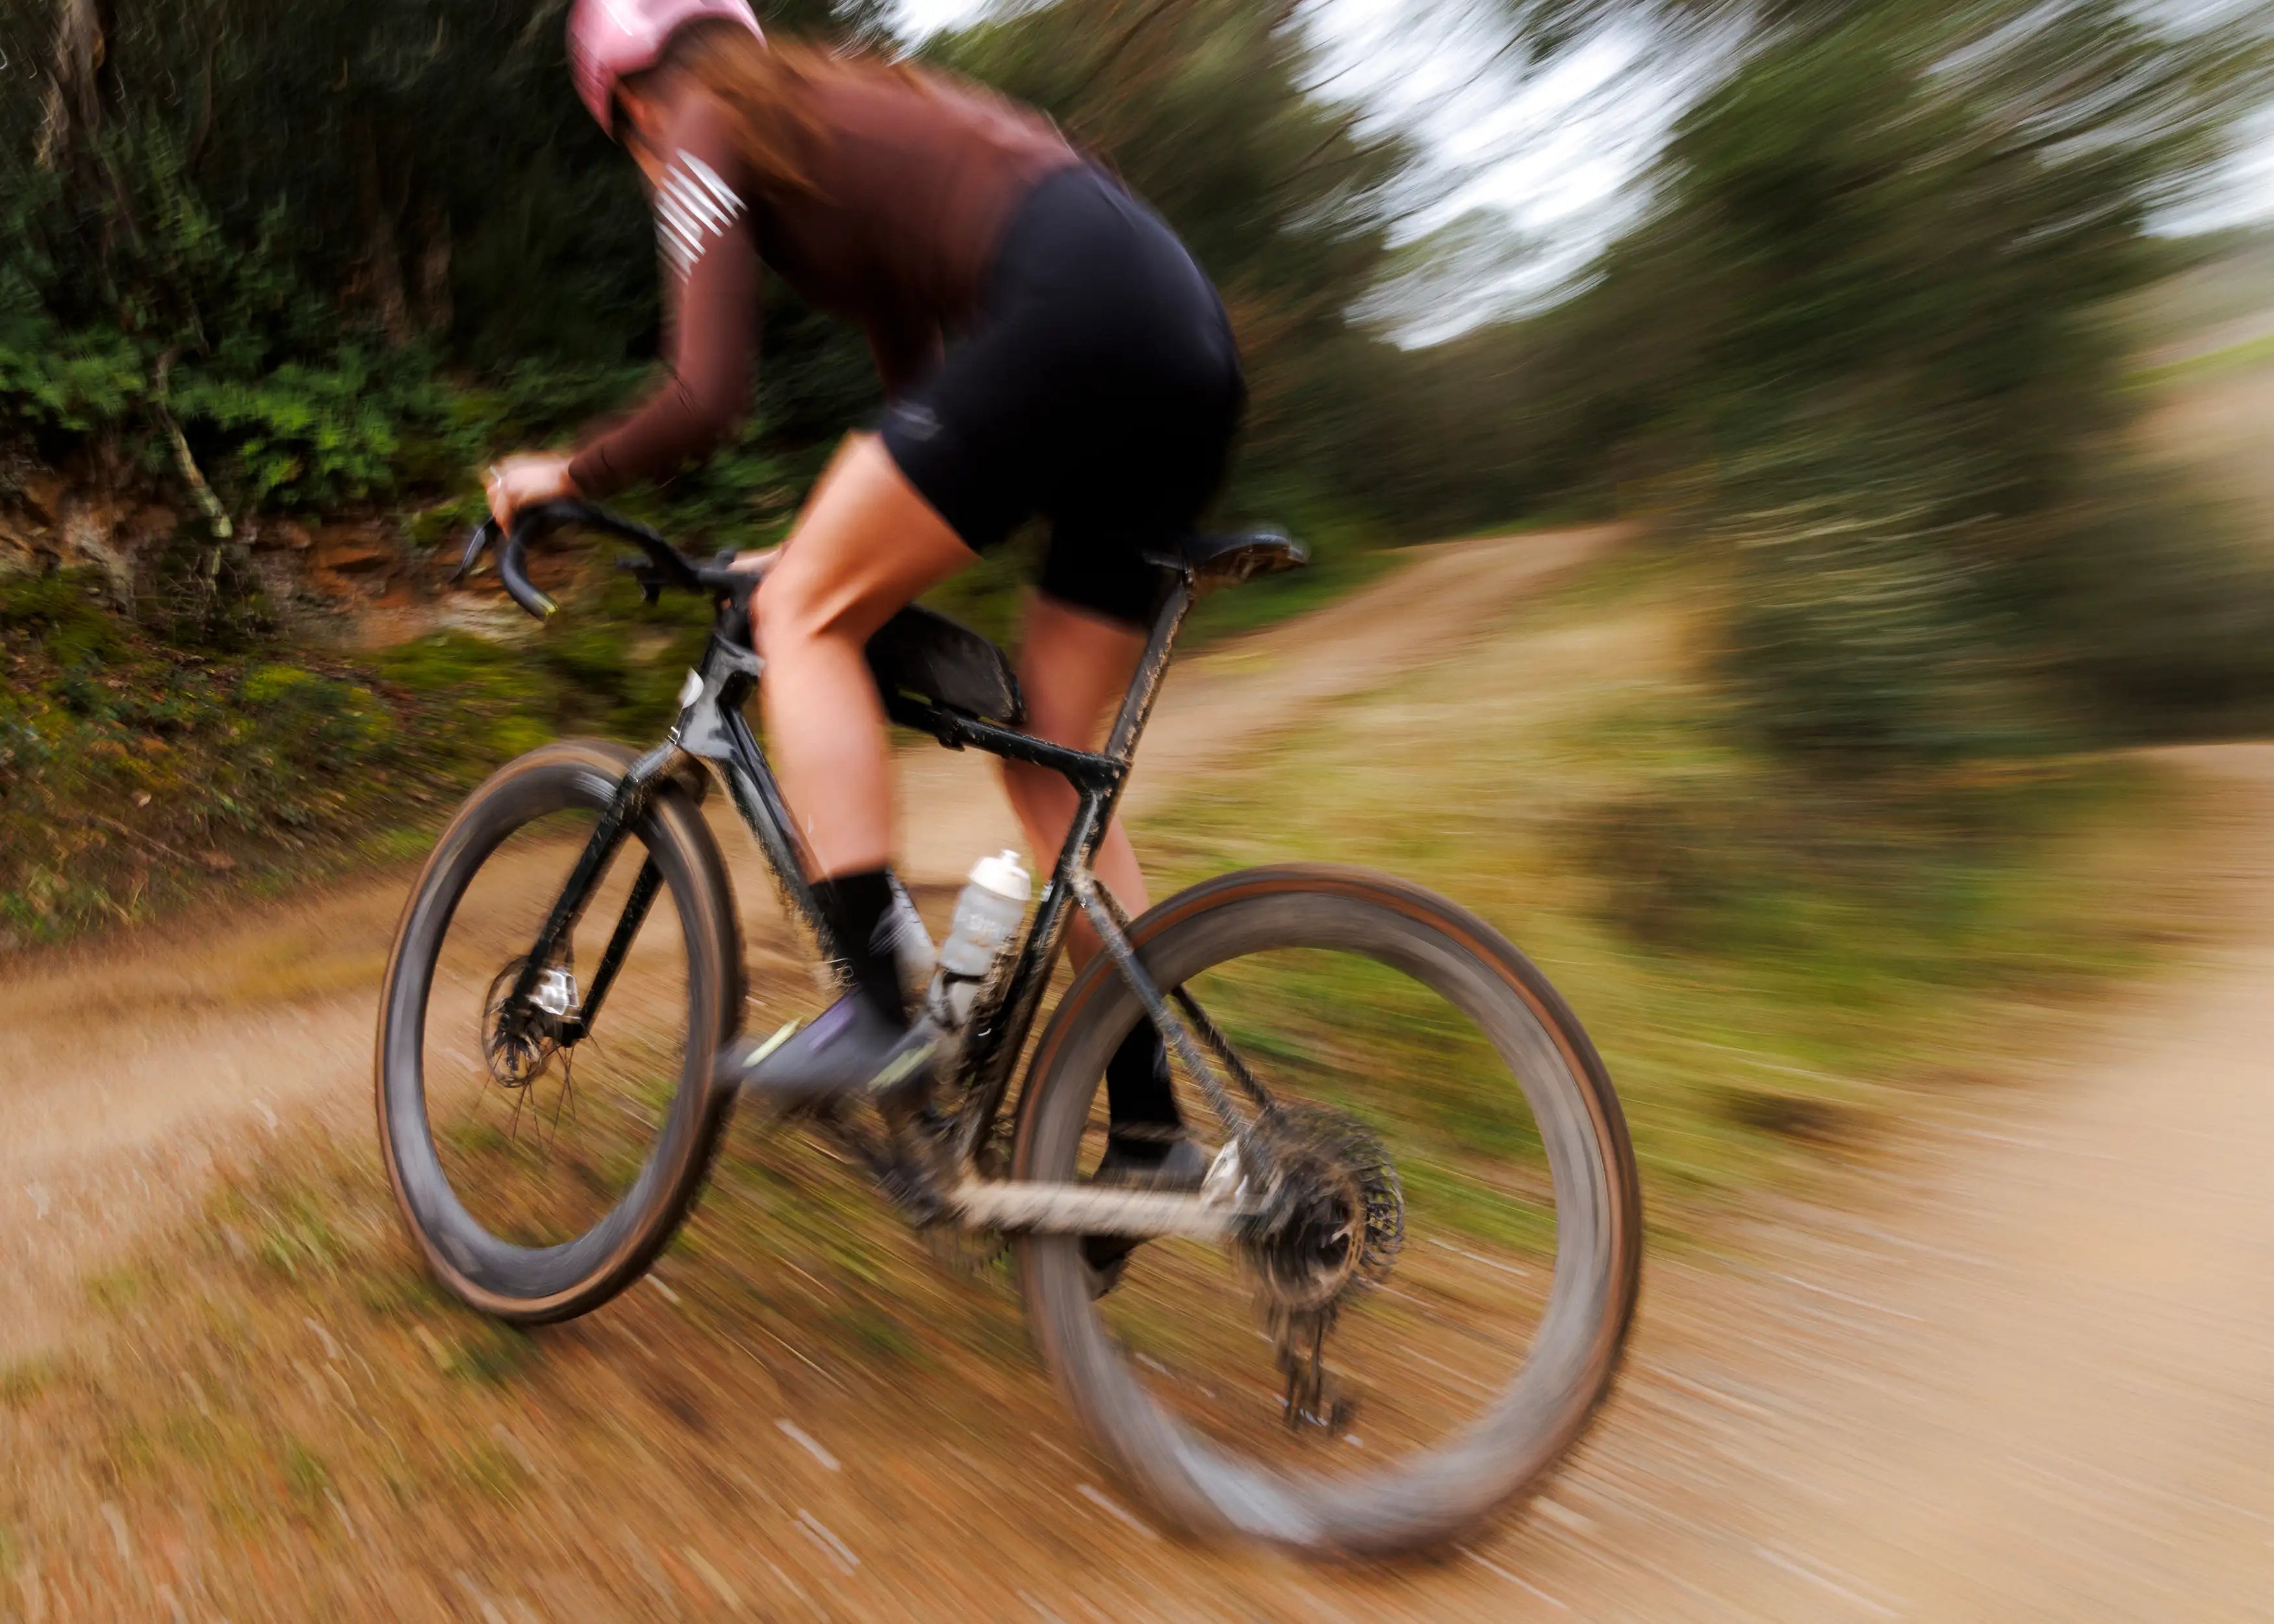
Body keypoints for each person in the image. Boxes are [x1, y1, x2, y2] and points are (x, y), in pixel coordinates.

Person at [483, 0, 1242, 1226]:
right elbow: (929, 407)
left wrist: (561, 476)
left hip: (1073, 306)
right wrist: (833, 548)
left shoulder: (697, 124)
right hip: (1177, 327)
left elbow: (705, 393)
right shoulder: (835, 114)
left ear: (619, 98)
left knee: (800, 621)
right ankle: (1149, 1128)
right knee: (1051, 754)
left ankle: (882, 1022)